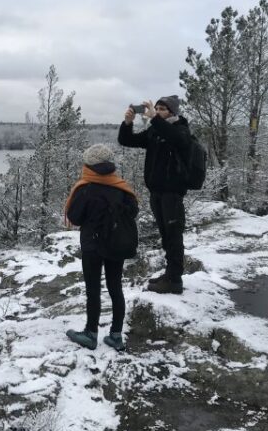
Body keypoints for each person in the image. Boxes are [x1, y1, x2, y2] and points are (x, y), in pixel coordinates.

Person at [64, 144, 138, 351]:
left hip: (92, 245)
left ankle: (90, 333)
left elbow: (74, 217)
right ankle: (116, 335)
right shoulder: (122, 187)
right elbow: (133, 211)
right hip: (116, 244)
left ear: (89, 164)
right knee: (116, 288)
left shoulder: (86, 187)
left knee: (93, 289)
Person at [118, 95, 191, 294]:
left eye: (162, 109)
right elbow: (127, 140)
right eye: (156, 108)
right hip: (156, 192)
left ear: (173, 112)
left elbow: (176, 139)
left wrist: (154, 119)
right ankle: (170, 274)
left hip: (172, 194)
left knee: (174, 235)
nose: (158, 112)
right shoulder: (155, 131)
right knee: (166, 235)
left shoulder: (181, 129)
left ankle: (175, 280)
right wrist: (127, 123)